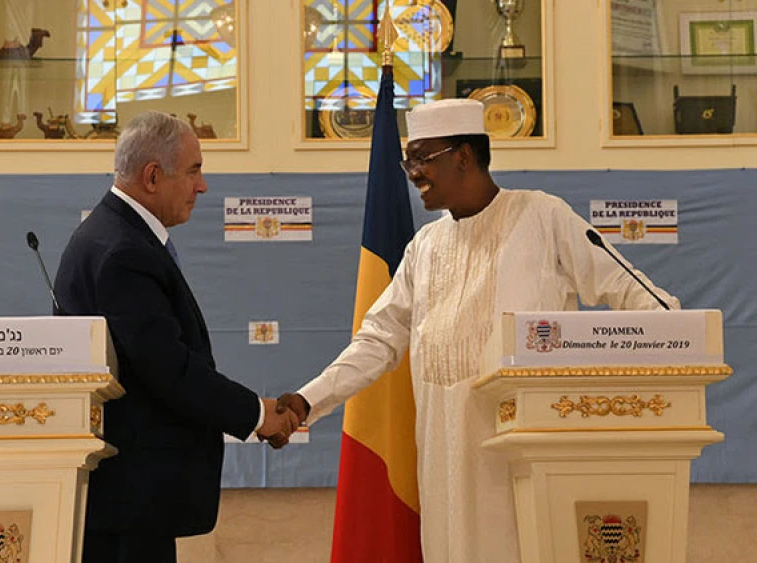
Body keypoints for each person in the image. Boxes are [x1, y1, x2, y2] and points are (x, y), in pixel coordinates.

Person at [274, 98, 679, 562]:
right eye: (408, 161)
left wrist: (678, 334)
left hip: (520, 456)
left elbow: (629, 290)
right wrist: (308, 401)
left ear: (463, 155)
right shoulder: (424, 246)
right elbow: (377, 340)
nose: (413, 172)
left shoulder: (542, 216)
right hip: (442, 458)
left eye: (422, 158)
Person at [54, 110, 299, 563]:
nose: (202, 186)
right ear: (152, 176)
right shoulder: (123, 251)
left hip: (127, 497)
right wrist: (256, 414)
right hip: (130, 497)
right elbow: (168, 370)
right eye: (193, 171)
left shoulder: (114, 236)